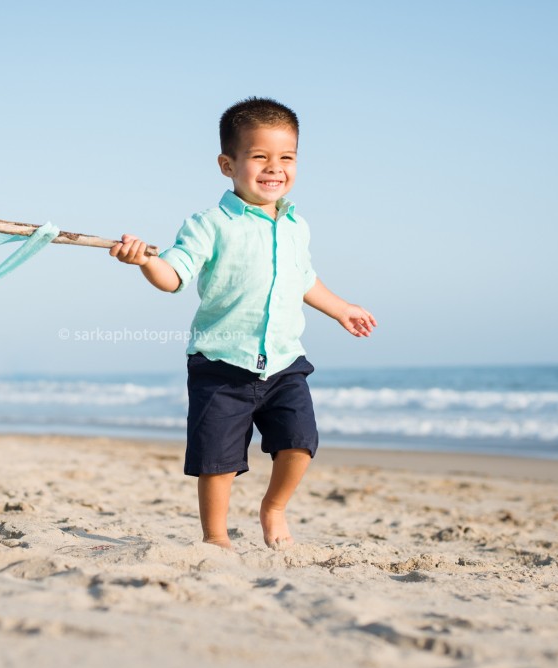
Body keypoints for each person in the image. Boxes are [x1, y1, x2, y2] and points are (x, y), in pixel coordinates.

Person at [110, 97, 376, 550]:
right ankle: (216, 538)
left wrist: (341, 308)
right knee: (218, 461)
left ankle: (273, 508)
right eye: (260, 157)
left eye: (286, 158)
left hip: (285, 361)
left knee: (299, 443)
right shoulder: (208, 224)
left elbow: (303, 279)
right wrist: (143, 262)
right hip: (221, 364)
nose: (275, 168)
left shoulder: (296, 225)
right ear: (227, 164)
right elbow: (173, 274)